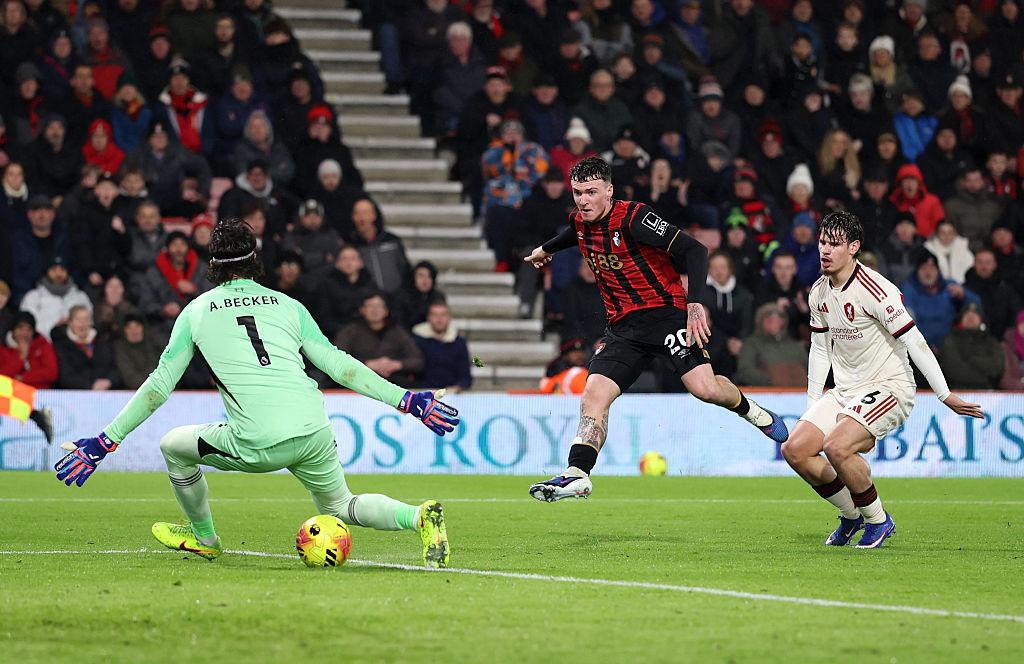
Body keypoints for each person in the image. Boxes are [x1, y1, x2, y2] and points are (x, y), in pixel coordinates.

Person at [54, 218, 459, 569]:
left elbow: (160, 386)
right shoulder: (288, 304)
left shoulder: (196, 311)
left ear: (211, 265)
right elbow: (340, 365)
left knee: (173, 447)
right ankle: (419, 517)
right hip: (313, 429)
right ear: (256, 261)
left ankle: (205, 538)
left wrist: (106, 441)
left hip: (258, 441)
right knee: (340, 507)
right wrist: (407, 400)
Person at [523, 157, 788, 502]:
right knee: (594, 395)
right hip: (623, 328)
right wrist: (546, 249)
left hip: (666, 315)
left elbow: (695, 249)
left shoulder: (635, 218)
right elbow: (574, 231)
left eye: (591, 192)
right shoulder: (579, 219)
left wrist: (694, 304)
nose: (583, 200)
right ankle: (577, 474)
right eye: (578, 193)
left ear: (609, 191)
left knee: (705, 389)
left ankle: (751, 410)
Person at [780, 210, 983, 549]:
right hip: (846, 389)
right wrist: (813, 406)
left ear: (854, 247)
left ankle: (877, 520)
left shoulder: (876, 289)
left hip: (890, 386)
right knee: (795, 450)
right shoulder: (818, 292)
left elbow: (914, 342)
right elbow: (819, 351)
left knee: (836, 447)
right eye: (822, 242)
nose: (825, 250)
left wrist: (944, 394)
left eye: (834, 244)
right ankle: (852, 515)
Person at [412, 300, 472, 393]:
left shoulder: (459, 343)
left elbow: (465, 376)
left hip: (451, 395)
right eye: (435, 315)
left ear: (449, 318)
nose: (439, 319)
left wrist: (457, 387)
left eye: (443, 315)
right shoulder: (416, 340)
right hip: (422, 394)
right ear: (428, 318)